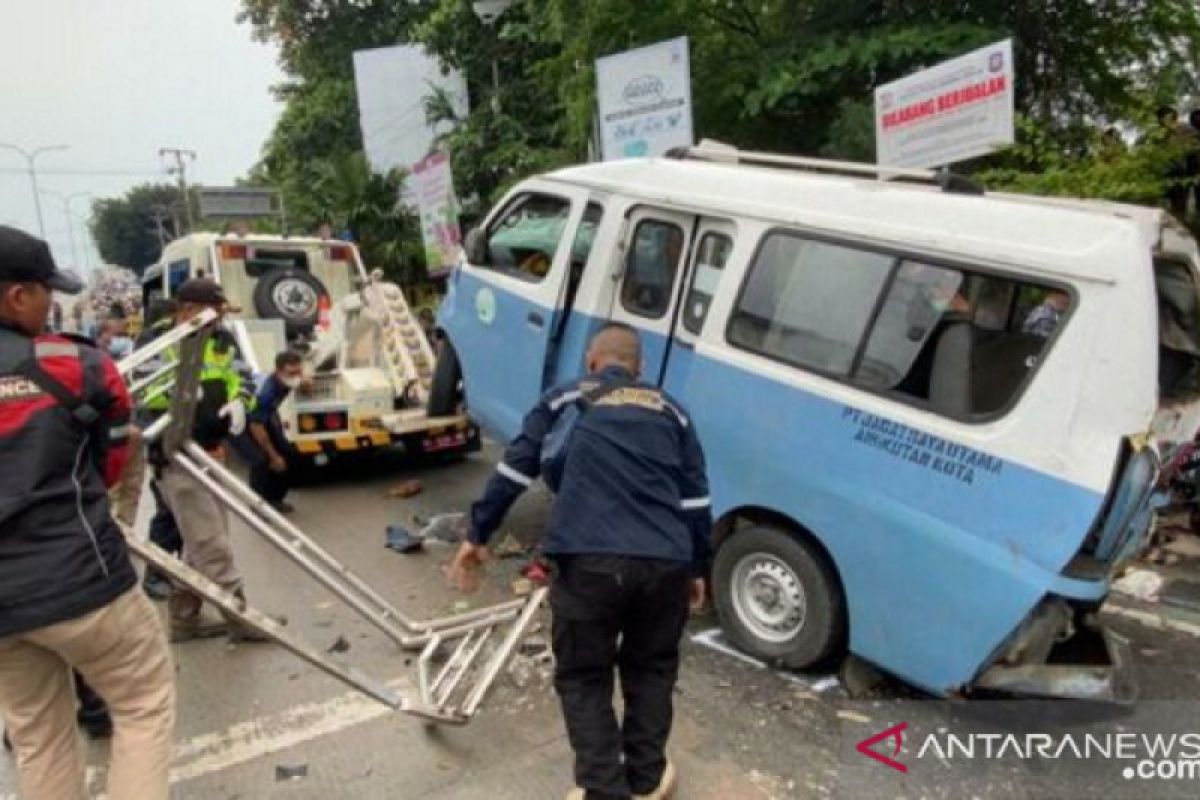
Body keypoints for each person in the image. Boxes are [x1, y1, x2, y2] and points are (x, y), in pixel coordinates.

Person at [448, 323, 711, 800]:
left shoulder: (564, 397)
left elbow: (515, 468)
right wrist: (696, 568)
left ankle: (604, 789)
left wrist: (478, 532)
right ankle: (647, 781)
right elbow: (695, 500)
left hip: (588, 561)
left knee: (584, 675)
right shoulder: (674, 411)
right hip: (664, 563)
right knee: (651, 670)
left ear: (592, 363)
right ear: (640, 369)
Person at [0, 225, 175, 800]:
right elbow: (112, 449)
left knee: (38, 738)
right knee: (144, 701)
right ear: (16, 295)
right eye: (46, 290)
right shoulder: (75, 363)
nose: (53, 302)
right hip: (79, 579)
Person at [151, 278, 267, 643]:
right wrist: (181, 395)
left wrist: (240, 402)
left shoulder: (221, 339)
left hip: (213, 451)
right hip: (177, 456)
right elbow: (143, 393)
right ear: (186, 310)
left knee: (203, 542)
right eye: (212, 311)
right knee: (211, 544)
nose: (218, 319)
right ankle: (242, 619)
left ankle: (184, 620)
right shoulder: (157, 343)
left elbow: (244, 377)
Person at [245, 350, 305, 513]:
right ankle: (258, 506)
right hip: (246, 422)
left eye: (299, 371)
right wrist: (273, 456)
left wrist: (304, 380)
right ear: (278, 371)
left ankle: (275, 499)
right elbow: (256, 426)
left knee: (289, 454)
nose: (296, 376)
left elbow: (302, 383)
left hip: (266, 417)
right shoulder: (267, 392)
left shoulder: (285, 380)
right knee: (262, 461)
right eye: (292, 373)